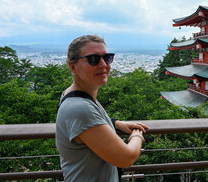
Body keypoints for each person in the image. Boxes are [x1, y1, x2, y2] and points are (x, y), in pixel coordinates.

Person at [56, 34, 148, 182]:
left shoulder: (72, 95)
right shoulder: (81, 108)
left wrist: (116, 123)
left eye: (107, 58)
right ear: (73, 66)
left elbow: (90, 127)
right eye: (93, 59)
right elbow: (127, 158)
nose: (103, 65)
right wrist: (137, 134)